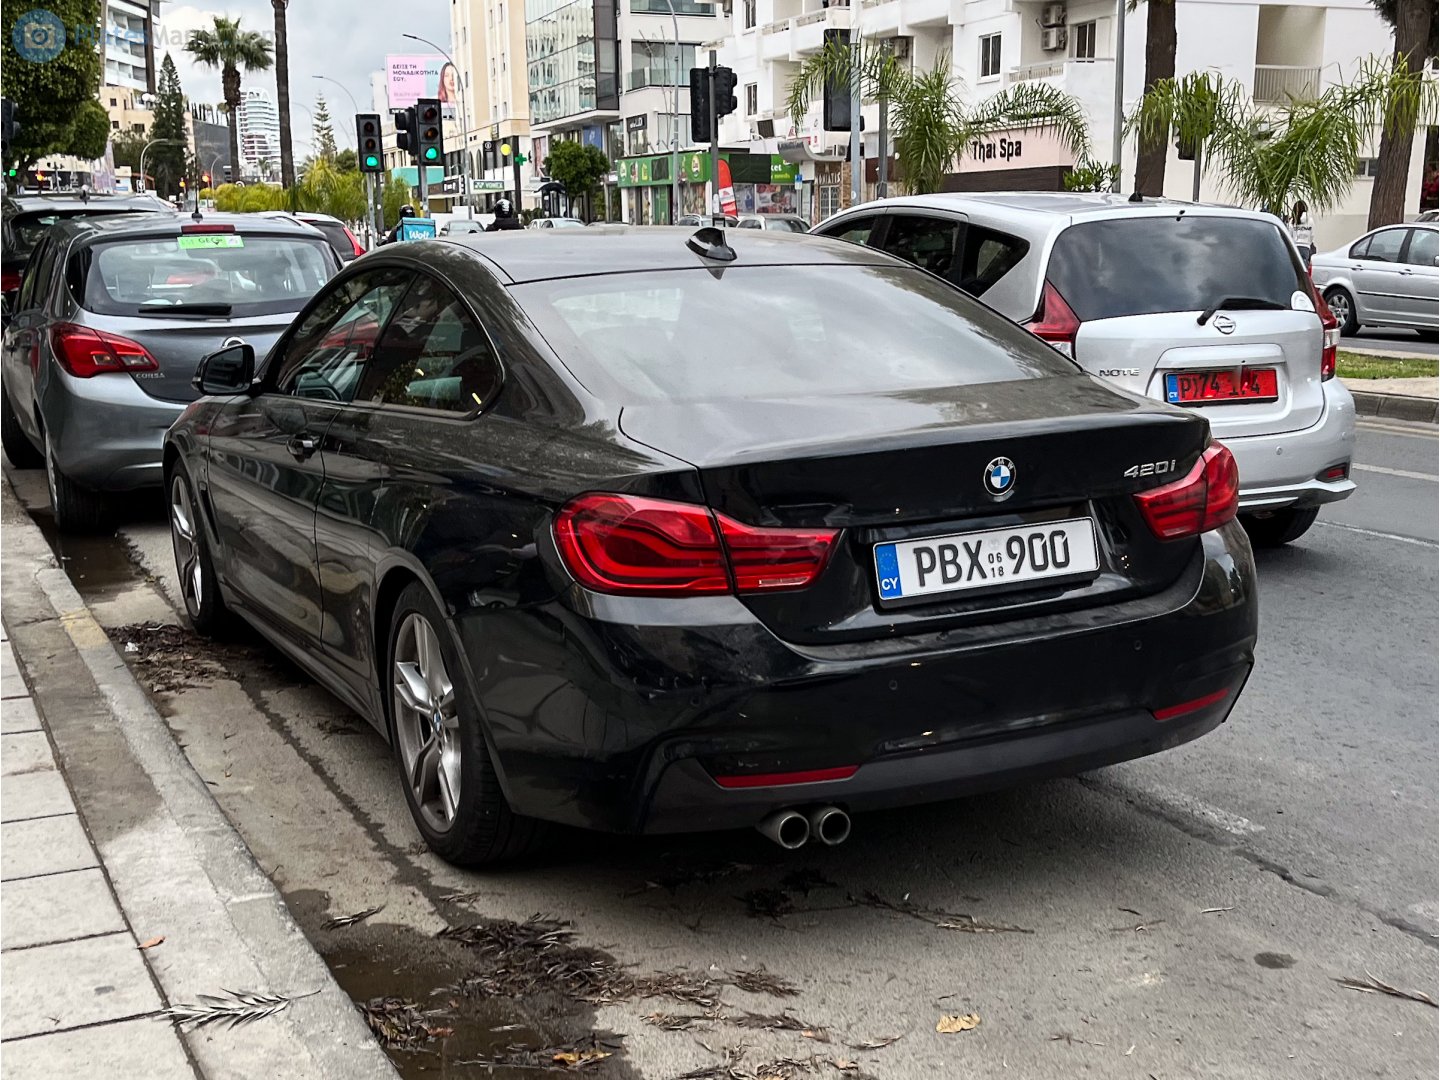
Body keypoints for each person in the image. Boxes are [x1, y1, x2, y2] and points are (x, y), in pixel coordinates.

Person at [1289, 200, 1314, 268]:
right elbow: (1312, 235)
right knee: (1303, 268)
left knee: (1295, 268)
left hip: (1295, 246)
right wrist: (1308, 243)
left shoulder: (1292, 221)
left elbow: (1290, 235)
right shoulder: (1310, 220)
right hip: (1306, 247)